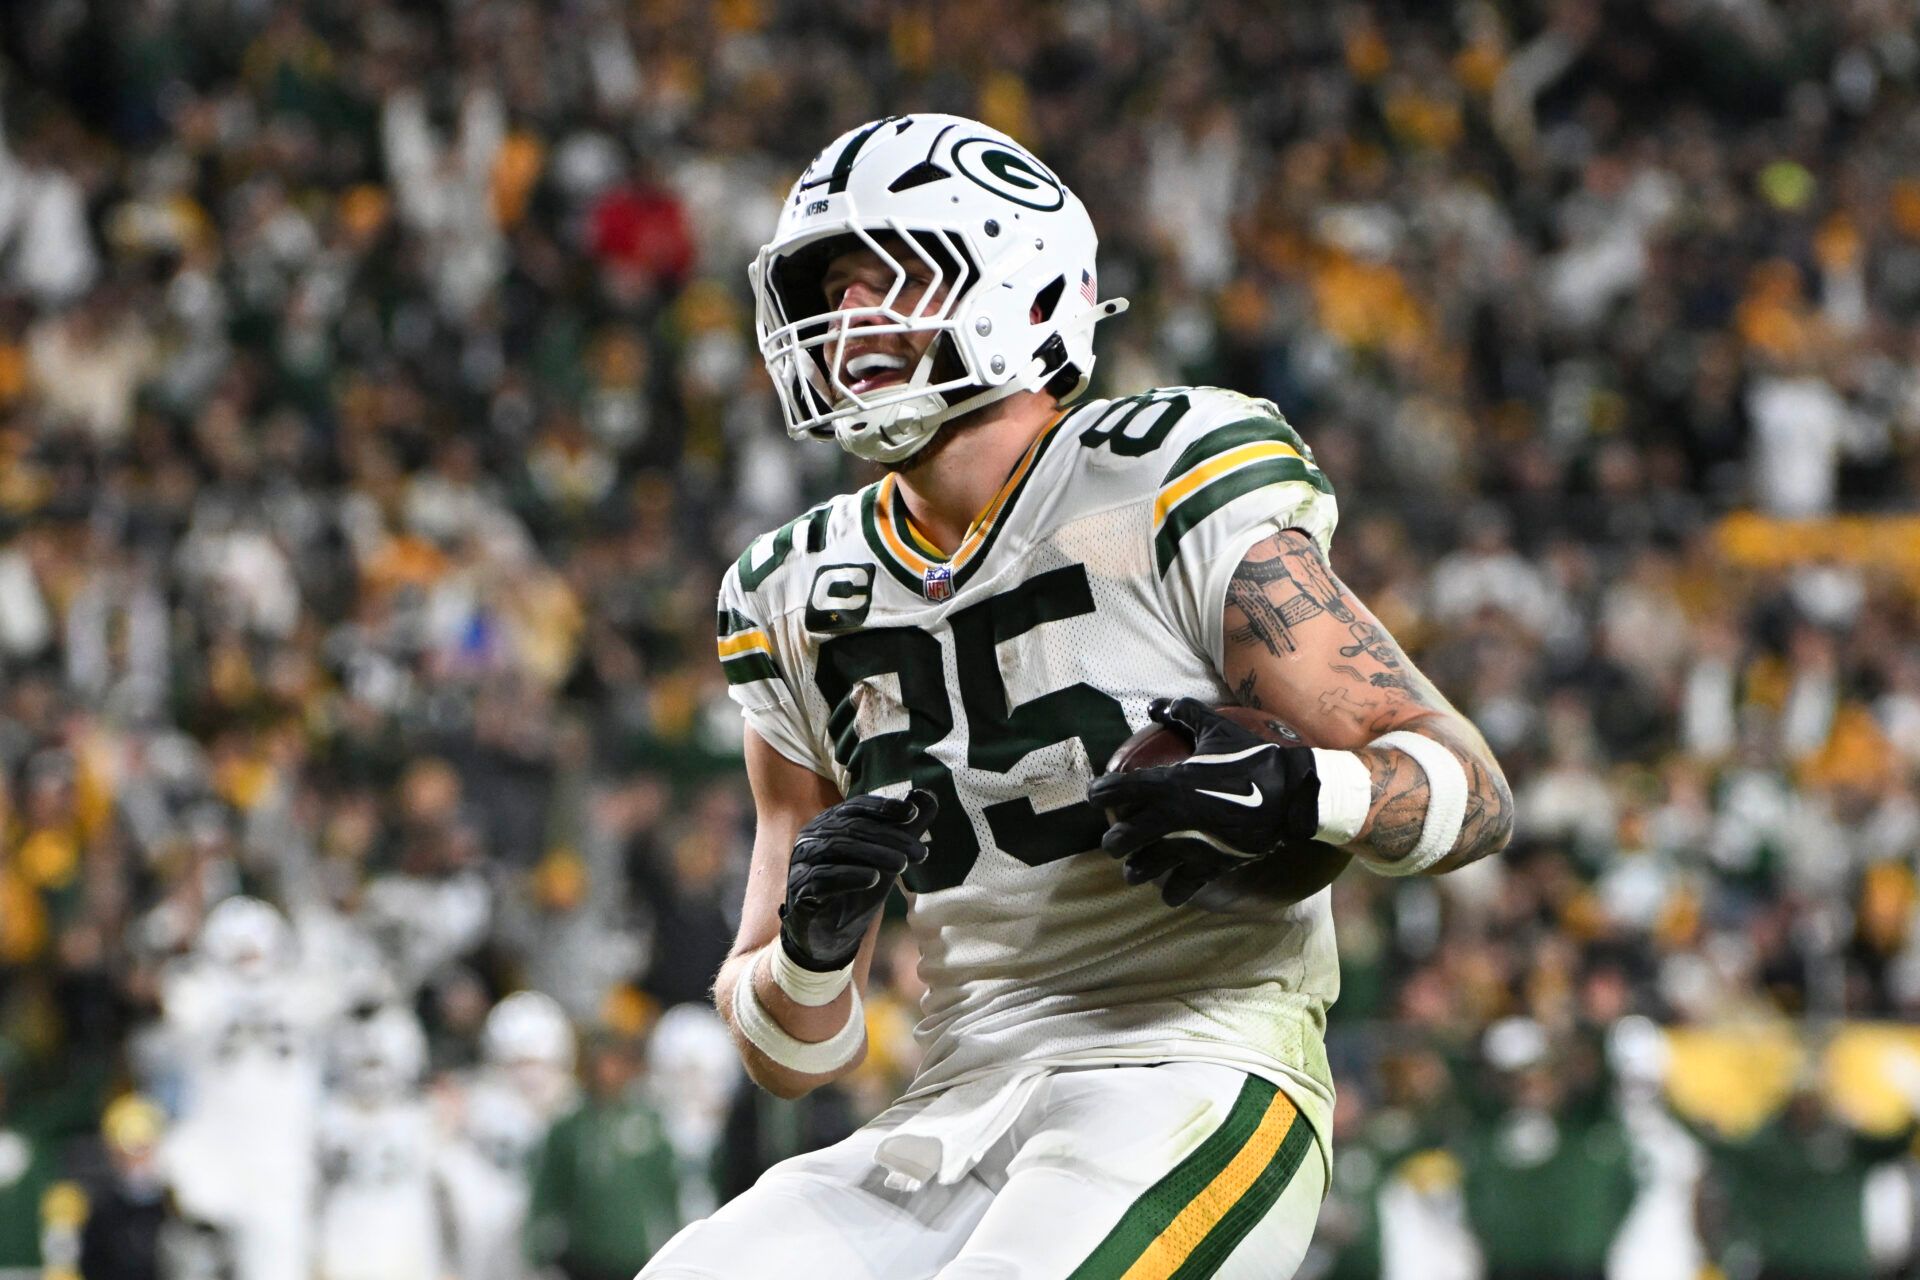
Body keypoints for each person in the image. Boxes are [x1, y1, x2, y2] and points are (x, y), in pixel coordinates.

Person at [644, 113, 1513, 1280]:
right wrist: (808, 949)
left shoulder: (1158, 479)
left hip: (1194, 1062)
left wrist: (1307, 787)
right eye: (829, 290)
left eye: (887, 277)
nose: (846, 321)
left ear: (1017, 281)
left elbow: (1470, 787)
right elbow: (793, 1055)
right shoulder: (796, 591)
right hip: (954, 1098)